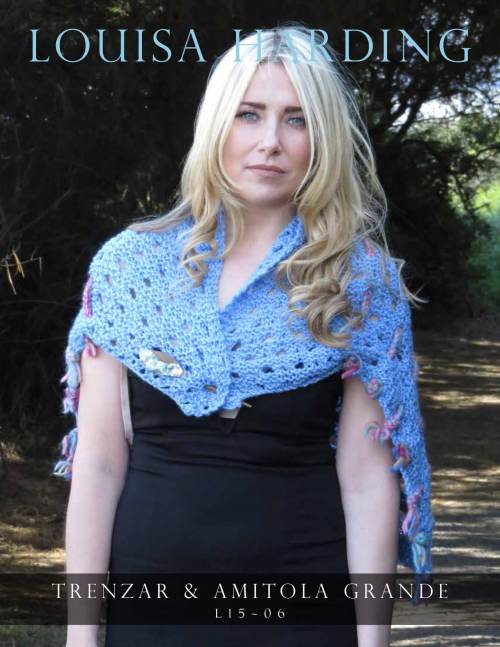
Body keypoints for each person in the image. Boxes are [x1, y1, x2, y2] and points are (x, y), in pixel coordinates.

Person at [52, 24, 434, 647]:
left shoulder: (357, 281)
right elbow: (97, 464)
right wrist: (79, 635)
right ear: (216, 125)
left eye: (297, 119)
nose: (270, 142)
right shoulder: (131, 268)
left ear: (324, 139)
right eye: (249, 114)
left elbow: (367, 480)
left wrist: (373, 642)